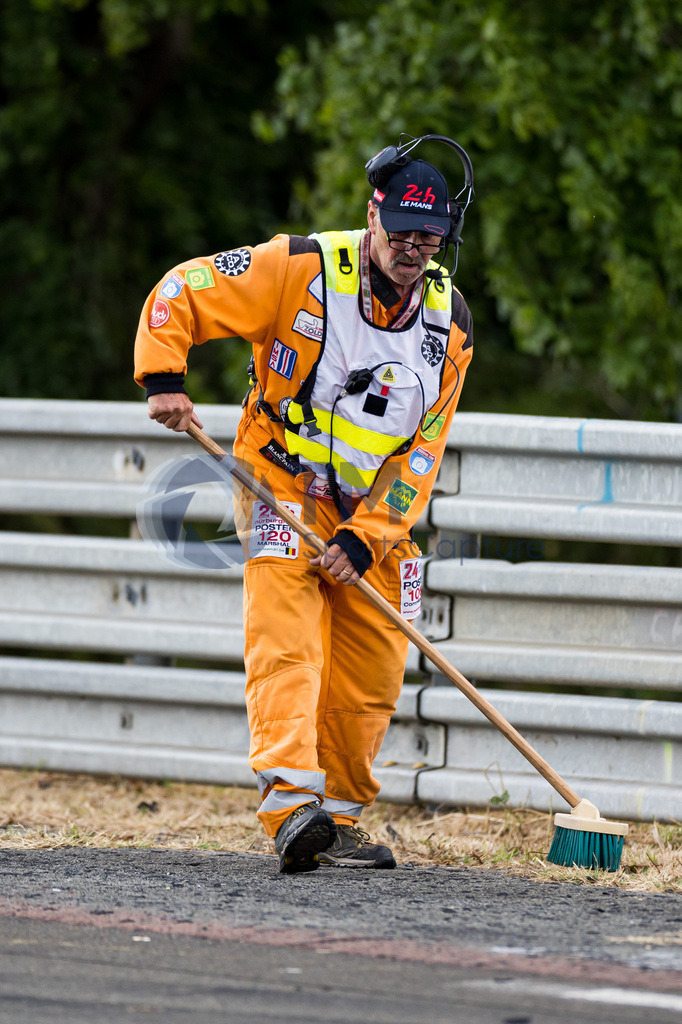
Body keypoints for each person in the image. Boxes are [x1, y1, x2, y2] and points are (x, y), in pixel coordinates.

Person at [134, 149, 473, 874]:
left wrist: (366, 538)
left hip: (370, 522)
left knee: (375, 667)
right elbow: (184, 287)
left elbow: (421, 457)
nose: (412, 252)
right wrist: (163, 372)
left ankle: (342, 818)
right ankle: (291, 806)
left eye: (429, 238)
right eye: (402, 232)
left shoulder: (453, 325)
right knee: (288, 642)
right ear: (373, 213)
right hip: (279, 486)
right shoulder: (300, 268)